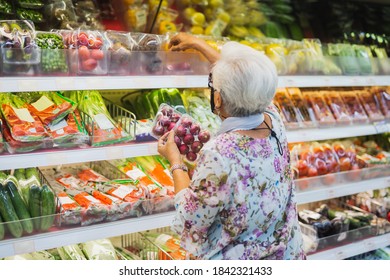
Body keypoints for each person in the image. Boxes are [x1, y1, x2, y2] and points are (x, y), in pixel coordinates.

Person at [157, 33, 306, 260]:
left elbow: (190, 218)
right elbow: (247, 79)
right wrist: (200, 45)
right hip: (286, 254)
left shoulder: (219, 153)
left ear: (218, 99)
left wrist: (175, 161)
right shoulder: (273, 118)